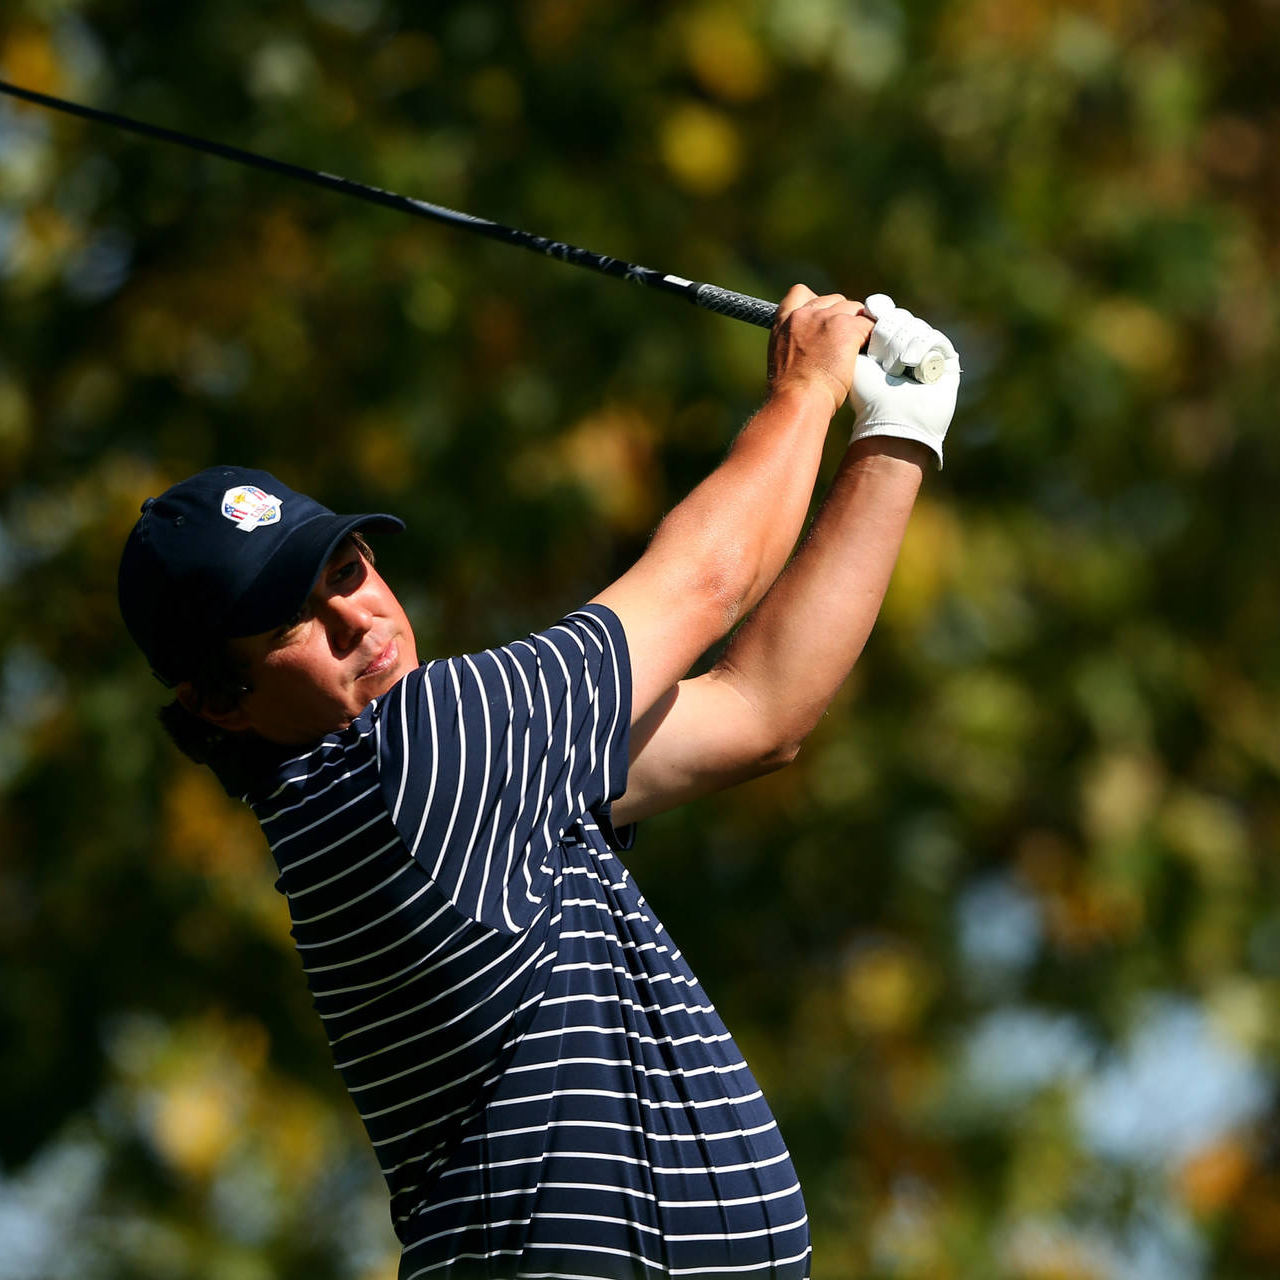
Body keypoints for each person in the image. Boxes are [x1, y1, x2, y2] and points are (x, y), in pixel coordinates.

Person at [116, 286, 960, 1278]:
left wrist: (896, 435)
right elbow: (705, 579)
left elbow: (759, 708)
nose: (359, 616)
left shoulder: (433, 789)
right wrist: (808, 386)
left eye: (345, 566)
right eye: (293, 618)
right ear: (221, 702)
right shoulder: (419, 753)